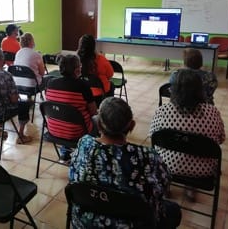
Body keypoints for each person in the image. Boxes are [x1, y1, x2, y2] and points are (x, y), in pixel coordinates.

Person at [69, 97, 181, 229]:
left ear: (98, 124)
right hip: (134, 224)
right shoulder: (147, 157)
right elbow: (164, 184)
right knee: (173, 210)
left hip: (84, 222)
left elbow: (72, 175)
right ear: (132, 126)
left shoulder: (84, 144)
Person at [151, 69, 225, 200]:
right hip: (204, 171)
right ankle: (191, 187)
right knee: (193, 151)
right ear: (200, 90)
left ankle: (165, 184)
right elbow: (221, 139)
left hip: (167, 164)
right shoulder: (213, 112)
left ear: (173, 90)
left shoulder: (163, 111)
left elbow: (154, 136)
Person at [45, 54, 98, 162]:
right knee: (97, 121)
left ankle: (65, 152)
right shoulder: (83, 86)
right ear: (77, 70)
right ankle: (88, 156)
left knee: (66, 117)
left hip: (53, 130)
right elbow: (93, 112)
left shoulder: (50, 83)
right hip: (77, 132)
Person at [77, 34, 114, 103]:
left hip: (80, 92)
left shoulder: (75, 60)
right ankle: (109, 107)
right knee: (111, 84)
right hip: (99, 96)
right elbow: (110, 74)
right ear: (94, 46)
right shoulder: (101, 60)